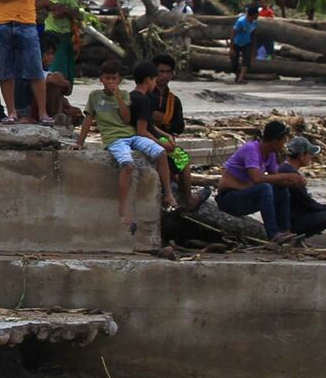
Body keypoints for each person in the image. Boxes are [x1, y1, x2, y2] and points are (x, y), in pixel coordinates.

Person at [74, 59, 179, 231]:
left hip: (130, 135)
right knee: (128, 165)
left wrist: (118, 98)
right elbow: (87, 120)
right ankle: (122, 209)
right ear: (101, 79)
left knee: (160, 152)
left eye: (114, 78)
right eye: (107, 78)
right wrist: (80, 142)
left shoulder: (124, 95)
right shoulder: (94, 96)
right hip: (113, 139)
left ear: (119, 80)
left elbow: (126, 119)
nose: (110, 82)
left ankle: (168, 194)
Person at [215, 119, 303, 241]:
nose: (284, 144)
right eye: (283, 141)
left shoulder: (271, 153)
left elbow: (275, 178)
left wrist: (293, 182)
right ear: (274, 142)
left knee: (282, 190)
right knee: (264, 188)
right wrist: (287, 176)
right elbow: (257, 178)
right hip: (229, 198)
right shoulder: (251, 149)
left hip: (245, 196)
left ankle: (285, 230)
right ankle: (273, 234)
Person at [148, 54, 203, 207]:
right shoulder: (145, 95)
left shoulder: (174, 100)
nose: (165, 75)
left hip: (167, 139)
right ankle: (188, 198)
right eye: (161, 71)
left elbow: (179, 127)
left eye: (168, 72)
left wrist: (165, 120)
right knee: (182, 158)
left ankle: (185, 196)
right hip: (147, 137)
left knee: (181, 157)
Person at [277, 136, 326, 238]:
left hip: (287, 215)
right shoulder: (291, 174)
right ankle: (296, 236)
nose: (311, 157)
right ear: (301, 155)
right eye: (309, 154)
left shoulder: (284, 168)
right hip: (289, 219)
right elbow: (306, 202)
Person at [39, 0, 83, 85]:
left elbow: (79, 14)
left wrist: (66, 10)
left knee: (67, 77)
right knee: (56, 75)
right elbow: (56, 12)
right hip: (53, 36)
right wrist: (69, 11)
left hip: (67, 37)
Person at [38, 34, 81, 123]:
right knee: (55, 82)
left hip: (51, 103)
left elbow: (67, 91)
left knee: (75, 111)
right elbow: (55, 81)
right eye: (48, 54)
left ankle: (60, 113)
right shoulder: (34, 71)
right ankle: (56, 114)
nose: (51, 57)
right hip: (36, 107)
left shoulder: (46, 71)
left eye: (53, 54)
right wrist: (64, 82)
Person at [229, 4, 258, 83]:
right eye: (257, 14)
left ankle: (241, 77)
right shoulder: (241, 21)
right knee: (234, 62)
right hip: (237, 43)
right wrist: (231, 48)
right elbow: (233, 33)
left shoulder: (254, 23)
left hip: (246, 43)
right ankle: (238, 75)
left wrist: (254, 48)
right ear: (254, 15)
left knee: (246, 60)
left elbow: (253, 34)